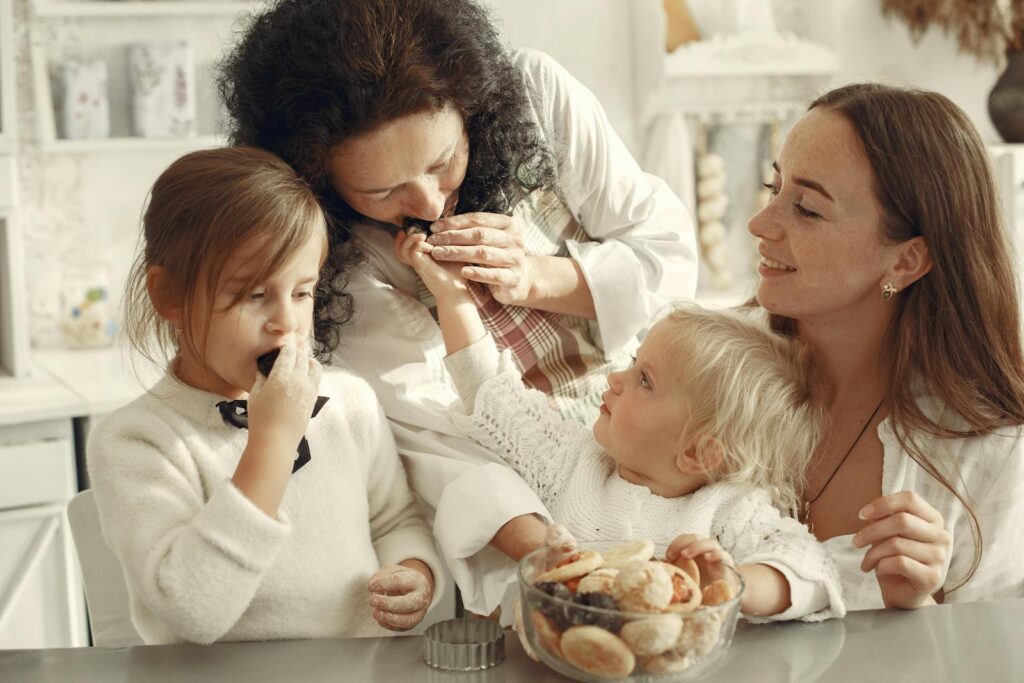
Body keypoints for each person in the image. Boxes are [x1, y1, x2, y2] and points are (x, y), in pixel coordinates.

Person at [218, 0, 698, 612]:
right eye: (383, 191)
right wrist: (555, 561)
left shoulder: (536, 98)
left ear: (472, 105)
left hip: (660, 456)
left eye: (443, 163)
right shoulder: (333, 255)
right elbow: (432, 432)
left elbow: (670, 258)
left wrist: (536, 276)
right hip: (523, 512)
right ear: (319, 180)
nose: (427, 203)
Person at [87, 146, 443, 644]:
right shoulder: (137, 442)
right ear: (170, 296)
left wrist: (414, 572)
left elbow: (395, 520)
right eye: (253, 295)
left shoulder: (350, 406)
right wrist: (272, 442)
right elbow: (191, 612)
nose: (286, 323)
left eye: (301, 293)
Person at [395, 229, 845, 622]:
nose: (614, 377)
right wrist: (451, 295)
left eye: (644, 380)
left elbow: (811, 568)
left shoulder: (729, 511)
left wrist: (733, 583)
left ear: (698, 452)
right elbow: (490, 392)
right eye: (633, 363)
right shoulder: (573, 462)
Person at [748, 83, 1024, 610]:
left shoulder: (991, 454)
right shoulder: (703, 371)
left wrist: (919, 608)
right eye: (773, 186)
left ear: (905, 261)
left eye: (806, 208)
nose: (760, 224)